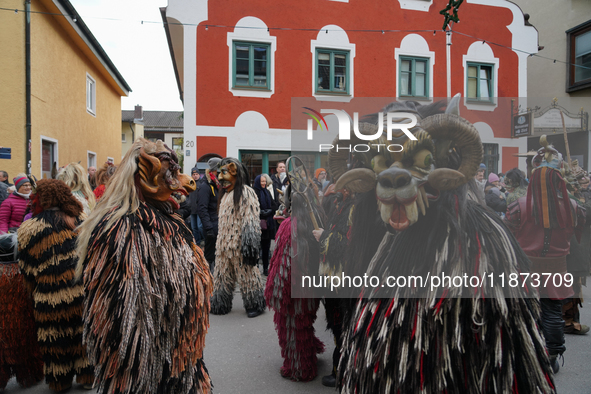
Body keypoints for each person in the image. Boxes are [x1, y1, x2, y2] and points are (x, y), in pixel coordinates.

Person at [76, 139, 213, 394]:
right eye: (170, 174)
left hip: (181, 357)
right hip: (145, 371)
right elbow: (122, 318)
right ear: (146, 177)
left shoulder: (169, 220)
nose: (186, 182)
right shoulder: (122, 230)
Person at [505, 136, 585, 374]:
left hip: (526, 267)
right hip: (557, 265)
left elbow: (509, 238)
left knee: (526, 311)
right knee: (551, 311)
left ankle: (528, 351)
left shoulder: (518, 205)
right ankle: (552, 353)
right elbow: (576, 231)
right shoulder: (572, 206)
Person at [17, 179, 94, 392]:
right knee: (82, 335)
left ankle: (60, 381)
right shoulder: (82, 220)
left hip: (48, 296)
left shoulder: (29, 228)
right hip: (81, 292)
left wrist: (36, 288)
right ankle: (87, 377)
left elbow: (27, 268)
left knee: (54, 337)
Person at [264, 184, 325, 381]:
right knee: (304, 325)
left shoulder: (289, 226)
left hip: (293, 292)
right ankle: (309, 351)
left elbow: (282, 266)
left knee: (292, 328)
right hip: (310, 289)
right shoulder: (315, 223)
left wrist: (276, 293)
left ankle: (299, 368)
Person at [210, 157, 265, 318]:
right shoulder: (226, 195)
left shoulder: (246, 193)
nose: (220, 178)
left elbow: (250, 220)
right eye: (219, 174)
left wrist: (250, 246)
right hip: (223, 247)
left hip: (240, 246)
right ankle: (221, 303)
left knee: (248, 275)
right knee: (221, 276)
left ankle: (255, 303)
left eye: (224, 173)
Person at [0, 232, 44, 390]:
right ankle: (29, 376)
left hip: (4, 332)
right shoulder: (23, 274)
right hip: (24, 328)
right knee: (27, 350)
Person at [196, 158, 221, 271]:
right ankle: (207, 279)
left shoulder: (217, 185)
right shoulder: (205, 186)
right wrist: (209, 228)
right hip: (211, 226)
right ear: (215, 170)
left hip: (219, 225)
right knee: (209, 257)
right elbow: (202, 208)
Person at [253, 174, 277, 276]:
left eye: (265, 181)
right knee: (257, 247)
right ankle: (256, 267)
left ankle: (266, 268)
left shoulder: (267, 192)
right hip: (258, 224)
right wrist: (261, 212)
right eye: (262, 181)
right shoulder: (254, 192)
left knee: (266, 246)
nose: (263, 183)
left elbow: (274, 204)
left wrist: (270, 210)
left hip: (267, 224)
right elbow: (252, 206)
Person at [189, 166, 204, 245]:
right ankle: (197, 243)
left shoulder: (202, 183)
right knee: (194, 228)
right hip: (192, 210)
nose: (195, 175)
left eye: (196, 174)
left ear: (199, 174)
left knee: (200, 227)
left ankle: (204, 239)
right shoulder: (190, 184)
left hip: (199, 209)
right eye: (193, 174)